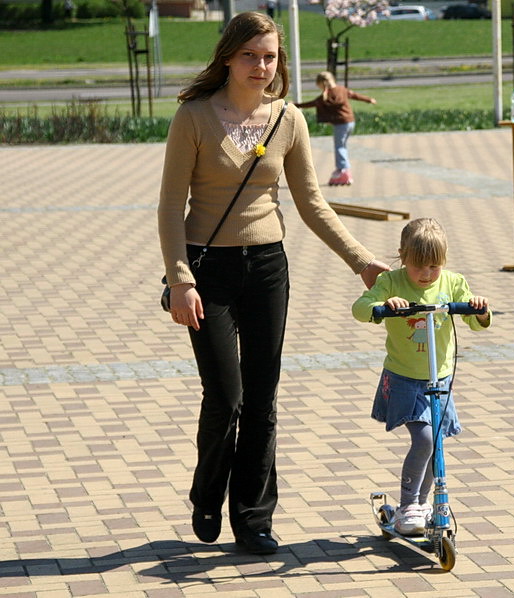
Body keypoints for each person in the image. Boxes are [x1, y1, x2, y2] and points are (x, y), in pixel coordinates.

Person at [157, 12, 389, 555]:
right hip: (205, 272)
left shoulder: (287, 119)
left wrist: (362, 261)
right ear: (228, 57)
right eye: (251, 56)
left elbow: (311, 203)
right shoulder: (192, 117)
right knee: (226, 397)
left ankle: (254, 519)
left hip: (267, 270)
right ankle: (207, 494)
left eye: (271, 57)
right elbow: (171, 207)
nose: (262, 66)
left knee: (262, 397)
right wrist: (181, 280)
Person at [351, 218, 491, 535]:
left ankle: (423, 504)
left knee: (436, 443)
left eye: (433, 267)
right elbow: (360, 308)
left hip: (440, 379)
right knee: (425, 439)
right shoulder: (392, 281)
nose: (426, 275)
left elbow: (479, 319)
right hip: (405, 378)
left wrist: (479, 308)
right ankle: (407, 505)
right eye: (418, 267)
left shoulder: (453, 282)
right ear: (402, 256)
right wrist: (382, 304)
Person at [295, 71, 376, 187]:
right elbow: (354, 95)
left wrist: (297, 105)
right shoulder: (342, 89)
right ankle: (344, 169)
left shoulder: (328, 95)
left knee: (339, 147)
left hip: (341, 124)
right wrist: (369, 99)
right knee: (342, 146)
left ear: (322, 84)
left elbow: (313, 103)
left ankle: (343, 170)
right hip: (350, 122)